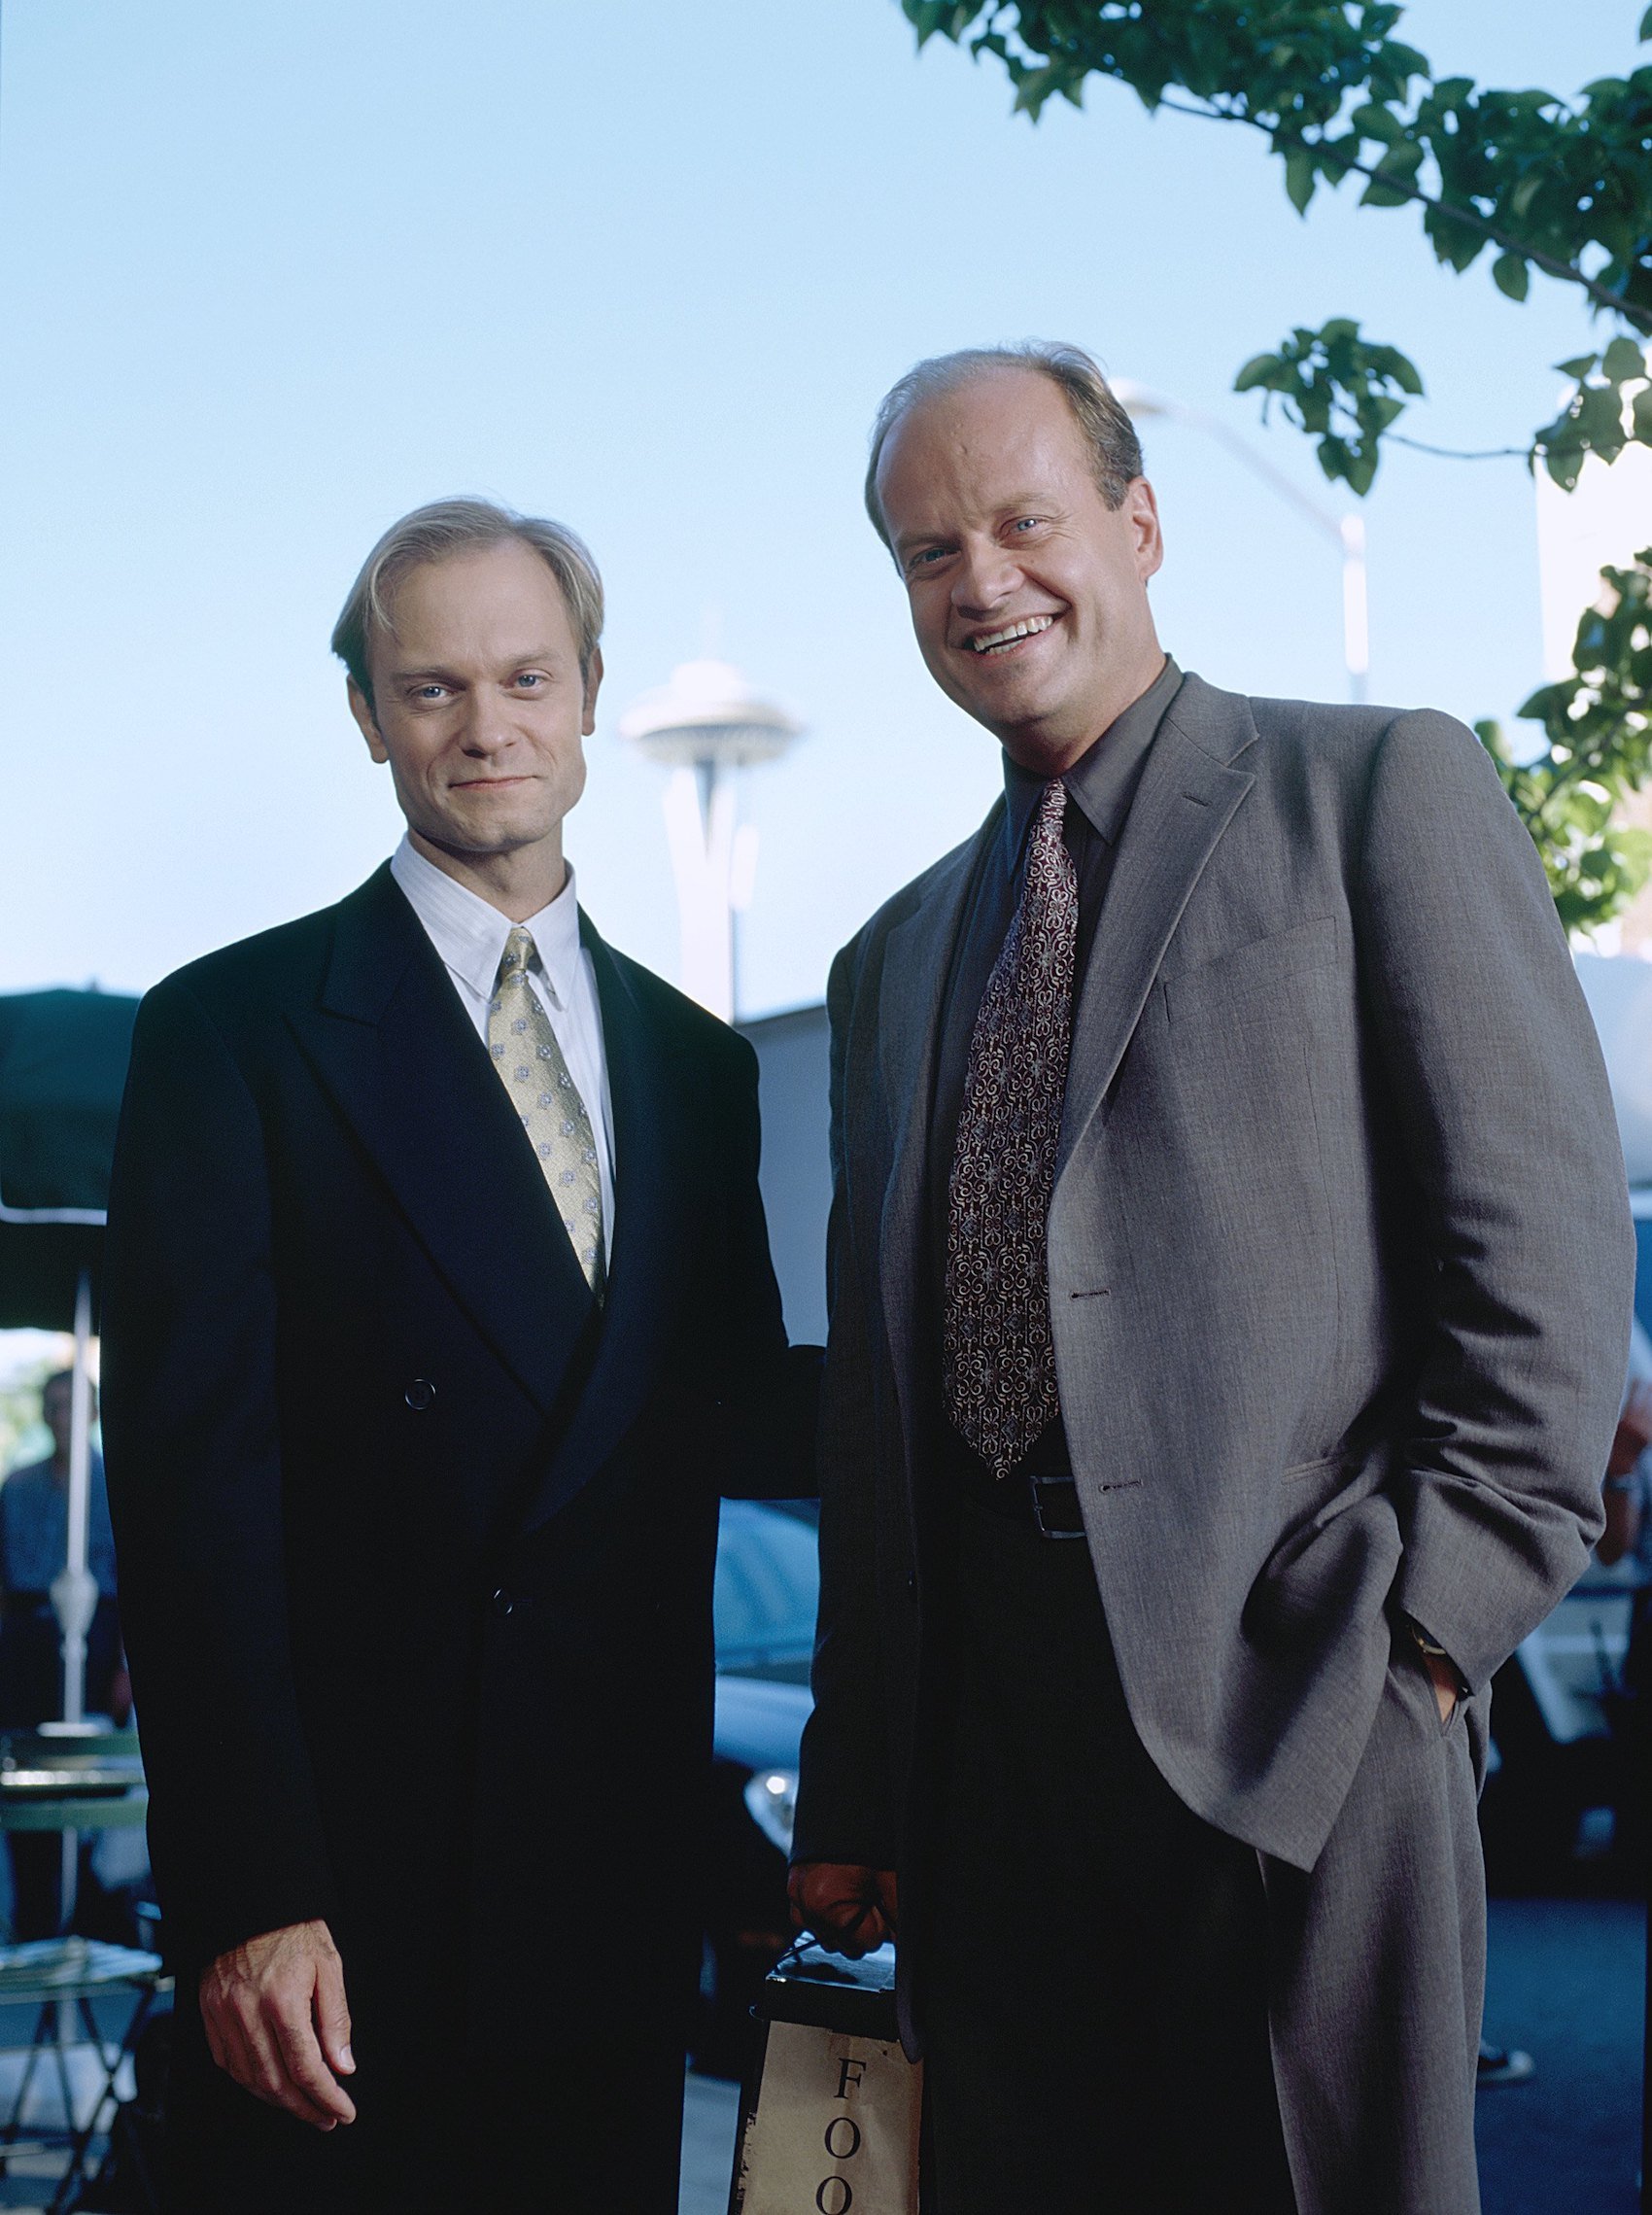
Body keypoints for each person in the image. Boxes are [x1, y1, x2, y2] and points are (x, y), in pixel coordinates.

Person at [787, 344, 1633, 2215]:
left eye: (1024, 519)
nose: (983, 578)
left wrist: (1421, 1648)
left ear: (1139, 523)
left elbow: (1547, 1278)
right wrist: (857, 1788)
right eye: (930, 549)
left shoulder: (1376, 791)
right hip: (985, 1765)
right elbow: (877, 1416)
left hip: (1306, 1711)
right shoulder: (890, 960)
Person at [102, 499, 818, 2213]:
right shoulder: (232, 1031)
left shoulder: (697, 1065)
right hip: (345, 1902)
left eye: (523, 676)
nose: (484, 725)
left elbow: (720, 1411)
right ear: (366, 716)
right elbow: (191, 1502)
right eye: (431, 687)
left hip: (611, 1868)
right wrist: (248, 1894)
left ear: (587, 696)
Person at [0, 1369, 126, 1936]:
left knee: (88, 1768)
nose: (62, 1417)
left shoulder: (115, 1482)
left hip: (96, 1641)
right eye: (52, 1406)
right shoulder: (19, 1486)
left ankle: (90, 1912)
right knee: (28, 1769)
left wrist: (124, 1665)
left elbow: (136, 1583)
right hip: (27, 1646)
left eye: (73, 1407)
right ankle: (35, 1913)